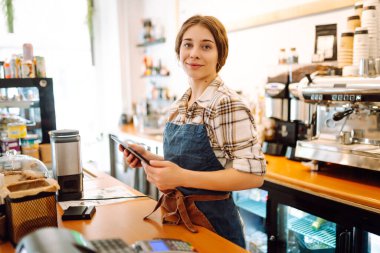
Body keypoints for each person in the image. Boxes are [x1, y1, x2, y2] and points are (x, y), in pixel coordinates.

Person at [120, 15, 266, 248]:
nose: (194, 53)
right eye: (188, 44)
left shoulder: (226, 103)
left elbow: (253, 175)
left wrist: (180, 177)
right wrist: (151, 160)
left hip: (213, 227)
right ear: (179, 52)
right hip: (176, 219)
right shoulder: (179, 105)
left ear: (220, 55)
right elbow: (189, 164)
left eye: (206, 46)